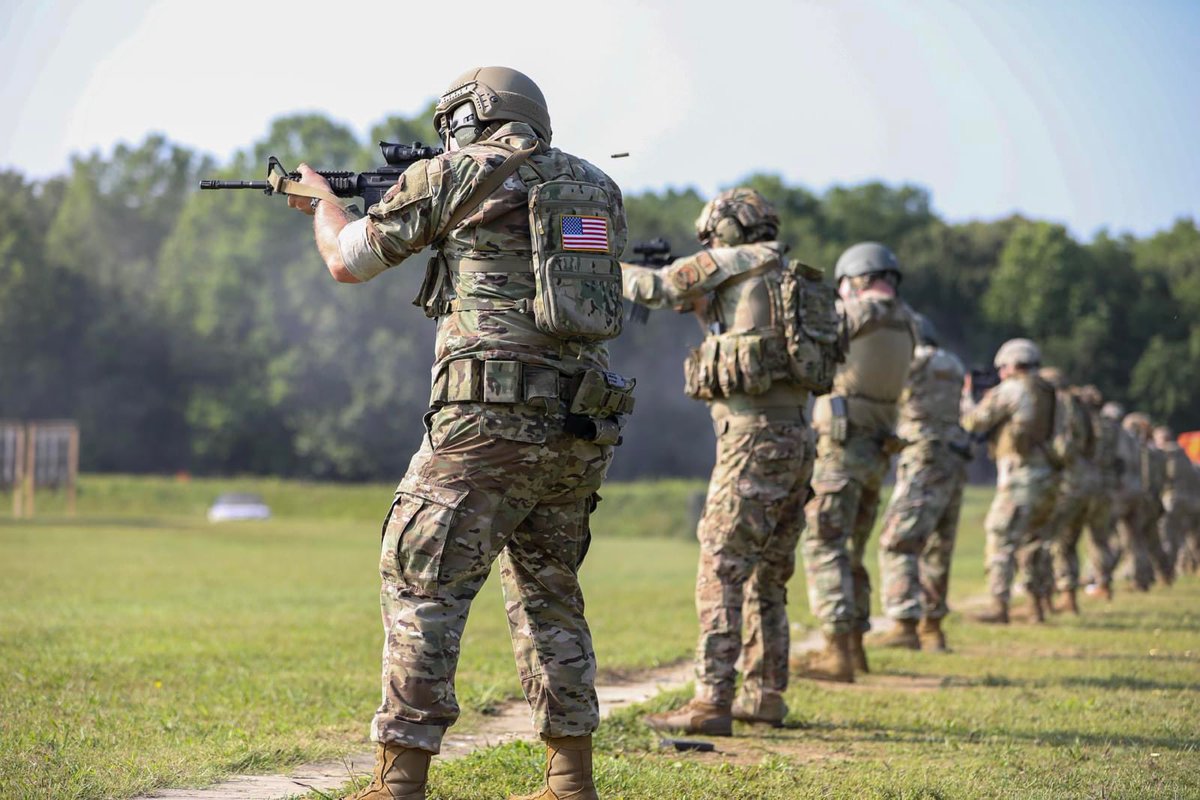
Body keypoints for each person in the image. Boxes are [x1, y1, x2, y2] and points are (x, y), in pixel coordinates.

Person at [287, 66, 629, 800]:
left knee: (421, 575)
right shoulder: (596, 187)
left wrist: (321, 203)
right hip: (579, 422)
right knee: (549, 591)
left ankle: (400, 780)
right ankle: (570, 778)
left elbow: (346, 262)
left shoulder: (453, 172)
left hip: (486, 417)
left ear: (470, 116)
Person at [624, 188, 824, 734]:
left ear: (727, 229)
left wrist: (606, 264)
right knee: (768, 577)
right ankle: (765, 695)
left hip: (752, 438)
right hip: (797, 436)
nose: (707, 244)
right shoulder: (784, 273)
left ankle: (711, 700)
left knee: (720, 564)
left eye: (711, 235)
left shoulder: (729, 262)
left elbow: (657, 287)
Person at [796, 242, 917, 682]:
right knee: (853, 550)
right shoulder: (909, 324)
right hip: (876, 451)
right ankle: (856, 646)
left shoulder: (856, 314)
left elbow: (805, 345)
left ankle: (836, 651)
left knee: (825, 543)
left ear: (858, 278)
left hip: (840, 451)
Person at [874, 313, 970, 652]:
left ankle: (903, 623)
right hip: (954, 457)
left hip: (923, 456)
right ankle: (932, 628)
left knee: (897, 540)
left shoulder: (913, 362)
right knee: (938, 546)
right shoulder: (953, 364)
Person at [961, 338, 1057, 624]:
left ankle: (998, 606)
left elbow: (973, 421)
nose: (1000, 374)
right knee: (1034, 542)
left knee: (999, 536)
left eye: (1002, 368)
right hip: (1048, 475)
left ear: (1013, 365)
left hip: (1020, 476)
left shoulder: (1013, 388)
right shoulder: (1047, 391)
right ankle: (1036, 605)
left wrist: (968, 396)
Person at [1040, 369, 1096, 615]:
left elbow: (1063, 445)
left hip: (1067, 480)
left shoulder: (1061, 403)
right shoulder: (1079, 404)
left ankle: (1045, 599)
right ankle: (1068, 597)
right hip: (1084, 480)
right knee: (1068, 543)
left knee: (1049, 541)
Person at [1123, 413, 1169, 588]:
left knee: (1135, 540)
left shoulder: (1140, 450)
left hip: (1142, 499)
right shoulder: (1156, 450)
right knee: (1153, 540)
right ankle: (1165, 574)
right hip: (1154, 500)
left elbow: (1145, 477)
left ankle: (1141, 579)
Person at [1154, 425, 1195, 577]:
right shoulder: (1184, 454)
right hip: (1191, 501)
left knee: (1166, 538)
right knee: (1184, 538)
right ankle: (1187, 567)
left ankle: (1166, 572)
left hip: (1171, 500)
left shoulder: (1163, 454)